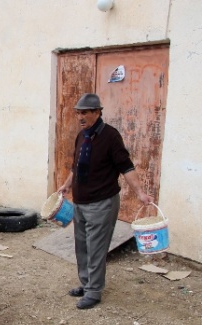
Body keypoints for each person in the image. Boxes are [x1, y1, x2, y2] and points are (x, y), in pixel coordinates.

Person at [57, 93, 154, 309]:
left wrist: (140, 192)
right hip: (80, 203)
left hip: (102, 203)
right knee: (81, 246)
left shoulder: (110, 136)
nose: (80, 117)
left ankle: (94, 291)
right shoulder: (82, 135)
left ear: (97, 112)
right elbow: (77, 165)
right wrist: (67, 184)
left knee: (96, 248)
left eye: (84, 113)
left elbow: (126, 166)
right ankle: (86, 283)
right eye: (78, 113)